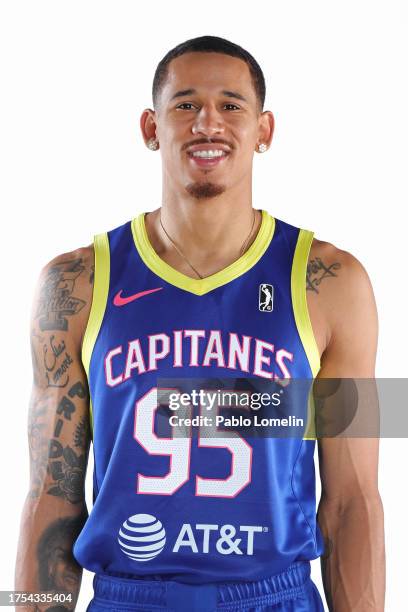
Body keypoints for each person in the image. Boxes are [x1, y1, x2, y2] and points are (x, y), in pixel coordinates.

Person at [15, 35, 385, 611]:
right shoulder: (74, 283)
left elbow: (353, 501)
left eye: (231, 105)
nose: (207, 122)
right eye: (185, 104)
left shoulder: (334, 282)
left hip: (274, 596)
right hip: (130, 596)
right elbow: (50, 495)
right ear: (150, 127)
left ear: (264, 131)